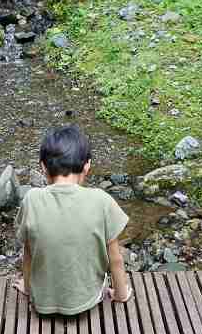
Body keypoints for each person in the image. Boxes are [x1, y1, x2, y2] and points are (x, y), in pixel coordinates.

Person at [13, 125, 132, 315]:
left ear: (43, 166)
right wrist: (121, 294)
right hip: (88, 300)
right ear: (87, 165)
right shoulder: (101, 200)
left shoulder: (31, 199)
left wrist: (28, 289)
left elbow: (28, 254)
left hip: (42, 303)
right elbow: (115, 259)